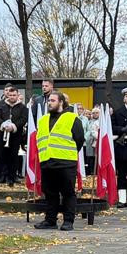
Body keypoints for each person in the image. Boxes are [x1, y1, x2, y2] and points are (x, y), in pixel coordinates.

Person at [34, 90, 84, 231]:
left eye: (53, 100)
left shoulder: (72, 118)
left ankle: (68, 221)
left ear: (61, 102)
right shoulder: (43, 119)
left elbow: (79, 140)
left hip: (66, 162)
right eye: (49, 100)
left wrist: (68, 153)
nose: (50, 103)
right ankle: (50, 220)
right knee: (50, 193)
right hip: (47, 162)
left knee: (68, 192)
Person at [0, 86, 29, 184]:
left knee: (13, 157)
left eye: (14, 95)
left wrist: (13, 126)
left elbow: (23, 119)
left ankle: (12, 177)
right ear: (7, 95)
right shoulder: (0, 105)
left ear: (18, 95)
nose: (12, 97)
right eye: (10, 95)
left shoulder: (23, 107)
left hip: (15, 136)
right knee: (0, 156)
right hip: (2, 135)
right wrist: (4, 125)